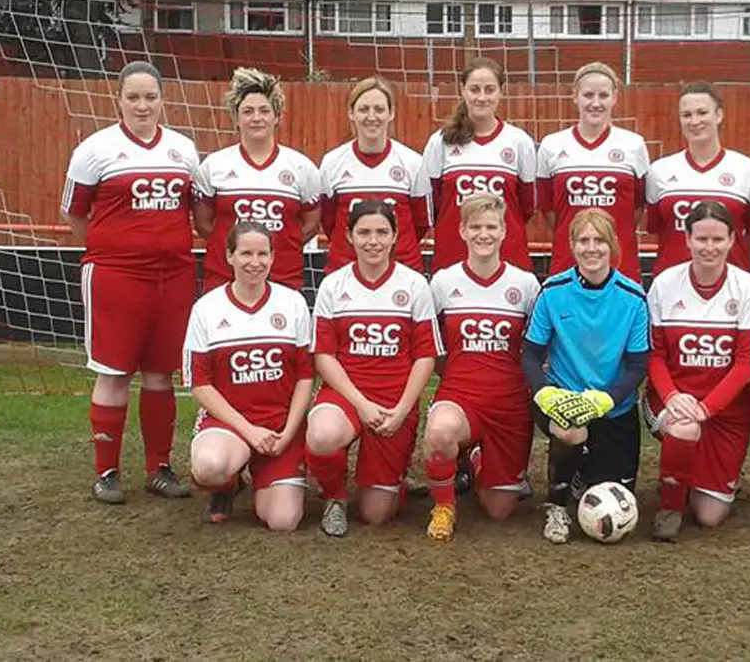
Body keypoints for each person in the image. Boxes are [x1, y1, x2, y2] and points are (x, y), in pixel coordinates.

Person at [61, 61, 199, 504]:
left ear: (163, 100)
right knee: (114, 372)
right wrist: (111, 250)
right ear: (118, 100)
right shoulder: (94, 149)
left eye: (150, 97)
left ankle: (159, 467)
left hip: (174, 276)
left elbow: (192, 212)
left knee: (161, 374)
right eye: (133, 97)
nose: (143, 105)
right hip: (116, 277)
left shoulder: (183, 149)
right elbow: (74, 214)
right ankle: (107, 472)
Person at [305, 200, 442, 536]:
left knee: (376, 514)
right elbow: (324, 356)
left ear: (395, 237)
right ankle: (334, 498)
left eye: (382, 232)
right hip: (347, 396)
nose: (373, 241)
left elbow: (426, 356)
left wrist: (401, 410)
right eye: (363, 232)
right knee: (322, 435)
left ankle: (396, 478)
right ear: (349, 236)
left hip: (395, 400)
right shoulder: (334, 285)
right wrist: (361, 404)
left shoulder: (413, 284)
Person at [523, 208, 650, 544]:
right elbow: (531, 355)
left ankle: (583, 473)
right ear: (572, 245)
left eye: (599, 241)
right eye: (583, 240)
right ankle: (558, 504)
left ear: (612, 246)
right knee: (570, 430)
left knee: (614, 495)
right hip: (565, 400)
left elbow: (638, 365)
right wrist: (545, 393)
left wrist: (607, 398)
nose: (591, 248)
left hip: (613, 408)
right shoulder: (553, 291)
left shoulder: (633, 298)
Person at [644, 200, 750, 542]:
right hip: (674, 400)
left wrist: (707, 407)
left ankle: (692, 473)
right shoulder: (665, 284)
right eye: (701, 239)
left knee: (710, 516)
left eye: (717, 239)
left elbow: (747, 364)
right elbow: (654, 356)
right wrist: (672, 395)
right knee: (683, 430)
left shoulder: (747, 288)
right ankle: (669, 508)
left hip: (725, 411)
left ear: (731, 241)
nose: (709, 247)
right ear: (687, 239)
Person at [422, 193, 541, 541]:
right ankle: (444, 507)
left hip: (510, 404)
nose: (484, 234)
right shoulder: (443, 282)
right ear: (462, 231)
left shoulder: (525, 285)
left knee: (499, 509)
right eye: (475, 227)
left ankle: (475, 456)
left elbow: (534, 350)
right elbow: (435, 347)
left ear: (505, 232)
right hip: (461, 395)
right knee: (441, 433)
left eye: (491, 227)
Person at [183, 222, 313, 530]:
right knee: (210, 466)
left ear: (272, 257)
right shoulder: (207, 309)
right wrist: (249, 430)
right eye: (245, 253)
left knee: (283, 522)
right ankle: (226, 485)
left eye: (262, 254)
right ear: (229, 256)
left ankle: (266, 477)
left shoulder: (293, 303)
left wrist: (289, 431)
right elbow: (199, 384)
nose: (255, 262)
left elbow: (306, 377)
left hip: (280, 426)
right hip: (232, 425)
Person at [193, 67, 322, 292]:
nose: (256, 118)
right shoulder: (214, 166)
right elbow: (204, 225)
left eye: (264, 111)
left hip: (284, 281)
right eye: (248, 111)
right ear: (236, 117)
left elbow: (311, 225)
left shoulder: (302, 167)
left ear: (277, 117)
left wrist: (281, 244)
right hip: (224, 281)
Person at [420, 57, 536, 273]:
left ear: (501, 92)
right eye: (475, 89)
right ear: (463, 90)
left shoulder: (520, 142)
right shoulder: (440, 141)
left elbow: (526, 207)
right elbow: (432, 205)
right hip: (452, 258)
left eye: (489, 90)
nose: (482, 97)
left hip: (507, 259)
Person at [537, 62, 649, 280]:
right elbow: (549, 210)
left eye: (603, 95)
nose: (595, 103)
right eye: (588, 95)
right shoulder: (552, 145)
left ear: (615, 97)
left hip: (620, 268)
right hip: (567, 266)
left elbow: (636, 209)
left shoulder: (633, 145)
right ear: (575, 96)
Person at [646, 82, 750, 278]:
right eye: (687, 115)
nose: (695, 121)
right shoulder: (659, 170)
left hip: (730, 284)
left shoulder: (749, 170)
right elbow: (655, 228)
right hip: (672, 285)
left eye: (702, 112)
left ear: (719, 115)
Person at [319, 76, 431, 274]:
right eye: (363, 109)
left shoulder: (413, 162)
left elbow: (420, 223)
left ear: (391, 113)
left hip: (403, 271)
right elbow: (329, 222)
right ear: (351, 113)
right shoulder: (333, 162)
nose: (372, 117)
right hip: (345, 271)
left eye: (379, 109)